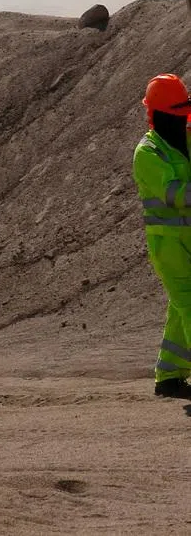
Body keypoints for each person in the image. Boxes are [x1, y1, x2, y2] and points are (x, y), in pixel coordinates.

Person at [134, 73, 191, 398]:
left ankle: (169, 375)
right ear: (160, 114)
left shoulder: (184, 137)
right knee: (189, 303)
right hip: (168, 244)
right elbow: (173, 193)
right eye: (179, 111)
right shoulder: (148, 153)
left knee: (180, 306)